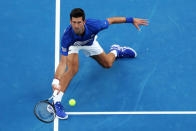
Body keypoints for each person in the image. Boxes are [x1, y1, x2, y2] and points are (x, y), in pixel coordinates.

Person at [51, 8, 149, 119]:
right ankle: (56, 103)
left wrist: (131, 20)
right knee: (73, 69)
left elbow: (111, 20)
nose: (76, 25)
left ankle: (116, 51)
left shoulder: (95, 25)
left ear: (84, 22)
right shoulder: (67, 37)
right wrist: (56, 80)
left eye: (79, 22)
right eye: (74, 22)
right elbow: (63, 62)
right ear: (70, 22)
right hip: (73, 44)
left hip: (89, 43)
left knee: (107, 64)